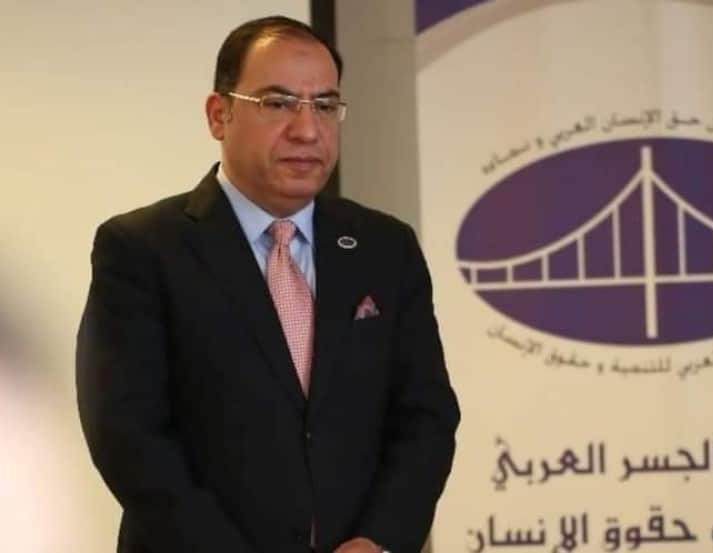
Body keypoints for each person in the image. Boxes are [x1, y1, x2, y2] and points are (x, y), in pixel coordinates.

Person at [76, 15, 459, 553]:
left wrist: (379, 540)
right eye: (277, 103)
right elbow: (127, 435)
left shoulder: (385, 247)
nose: (307, 129)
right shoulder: (142, 248)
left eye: (325, 105)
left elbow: (426, 417)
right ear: (219, 115)